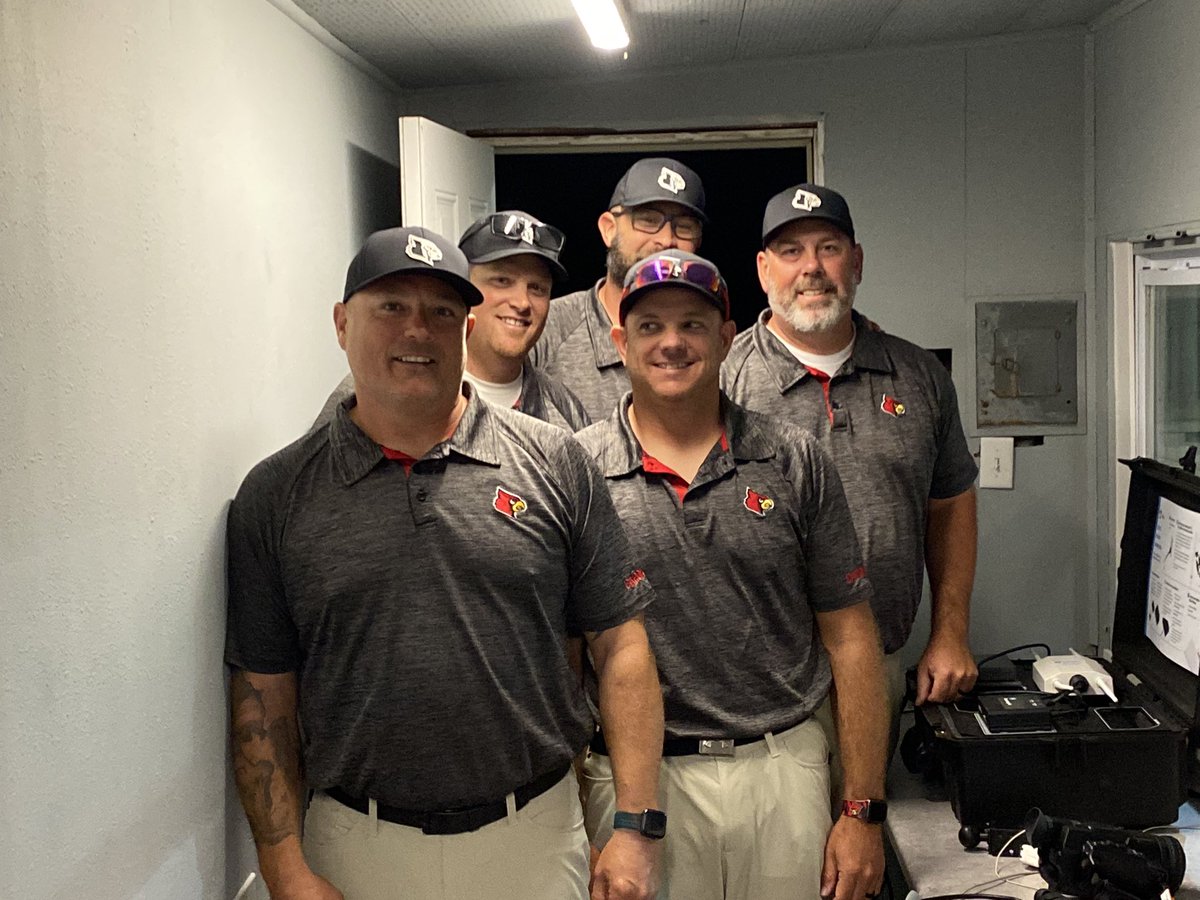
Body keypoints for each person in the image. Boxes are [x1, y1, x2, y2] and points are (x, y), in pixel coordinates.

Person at [226, 226, 665, 900]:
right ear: (342, 324)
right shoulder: (277, 495)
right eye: (391, 307)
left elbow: (621, 645)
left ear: (466, 328)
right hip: (355, 847)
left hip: (535, 839)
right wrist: (285, 868)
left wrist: (635, 825)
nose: (417, 329)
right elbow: (263, 692)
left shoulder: (556, 462)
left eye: (440, 311)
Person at [576, 250, 889, 900]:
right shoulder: (578, 471)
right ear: (620, 342)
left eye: (692, 324)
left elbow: (852, 638)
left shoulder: (793, 459)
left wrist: (862, 810)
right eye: (650, 326)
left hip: (781, 772)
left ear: (725, 338)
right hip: (637, 788)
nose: (671, 343)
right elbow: (562, 655)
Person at [723, 184, 979, 737]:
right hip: (758, 681)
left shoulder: (919, 376)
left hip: (880, 664)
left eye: (829, 248)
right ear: (764, 270)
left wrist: (950, 632)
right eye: (791, 251)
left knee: (868, 795)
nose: (811, 268)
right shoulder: (723, 382)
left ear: (856, 262)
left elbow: (951, 505)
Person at [315, 211, 589, 432]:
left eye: (537, 288)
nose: (522, 302)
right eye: (502, 280)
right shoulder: (367, 394)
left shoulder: (563, 409)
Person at [529, 158, 706, 421]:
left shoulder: (705, 336)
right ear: (609, 229)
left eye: (684, 227)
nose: (667, 240)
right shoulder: (548, 327)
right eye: (648, 220)